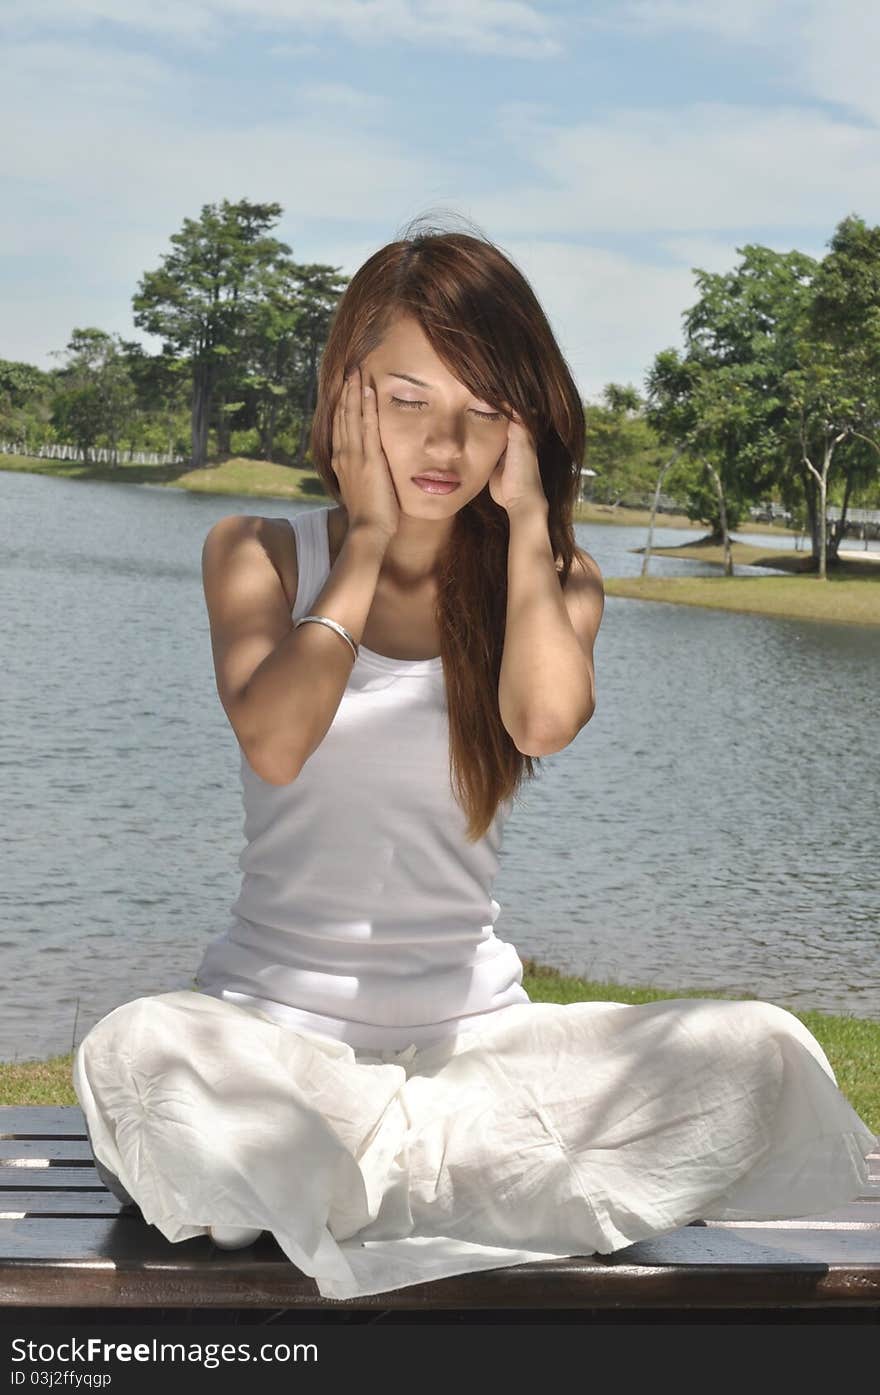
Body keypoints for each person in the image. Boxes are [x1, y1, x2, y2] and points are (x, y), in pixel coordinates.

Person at [72, 218, 876, 1302]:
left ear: (526, 424)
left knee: (762, 1050)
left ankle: (353, 1191)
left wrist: (534, 520)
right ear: (346, 397)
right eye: (406, 402)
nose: (442, 446)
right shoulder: (259, 552)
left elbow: (541, 724)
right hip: (275, 1046)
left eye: (483, 412)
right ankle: (439, 1186)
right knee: (141, 1055)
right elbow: (275, 739)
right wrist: (362, 541)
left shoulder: (557, 585)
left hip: (478, 1055)